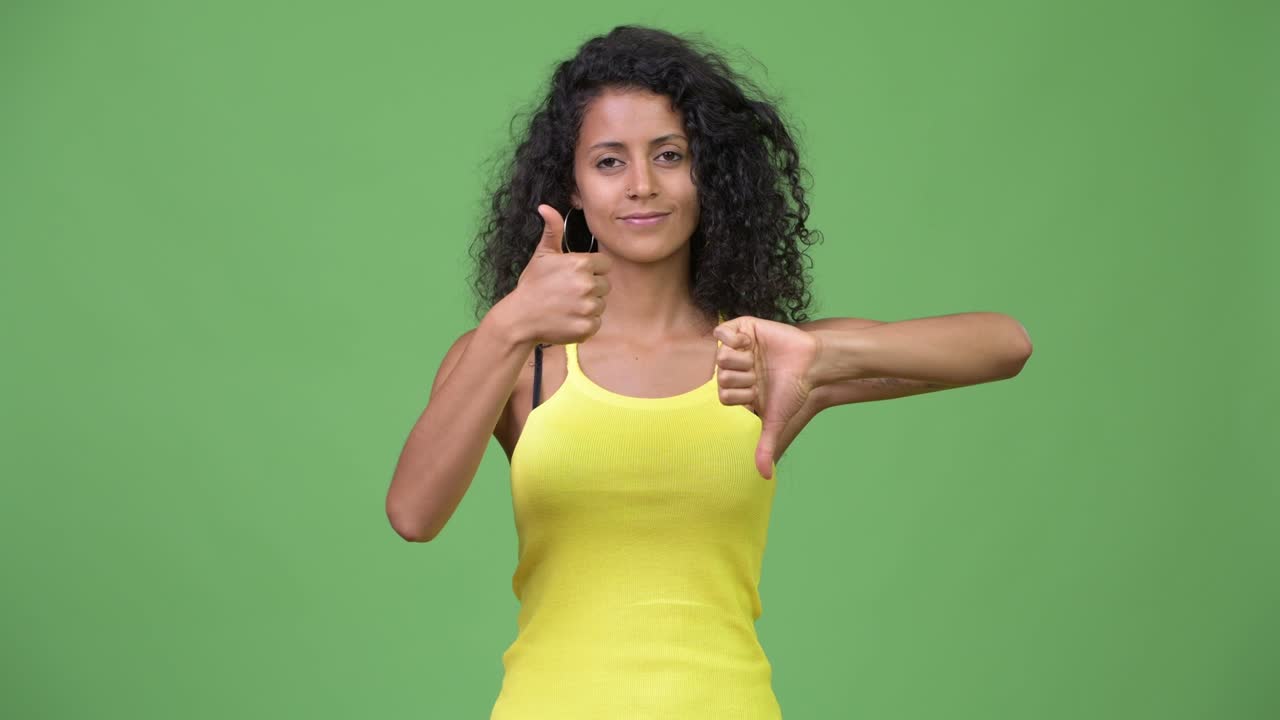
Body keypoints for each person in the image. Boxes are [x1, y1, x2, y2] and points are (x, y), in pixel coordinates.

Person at [386, 25, 1033, 719]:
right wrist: (512, 320)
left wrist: (825, 357)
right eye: (608, 162)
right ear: (570, 188)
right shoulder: (517, 360)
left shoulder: (763, 356)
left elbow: (1005, 344)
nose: (641, 186)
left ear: (710, 175)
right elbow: (413, 514)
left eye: (670, 156)